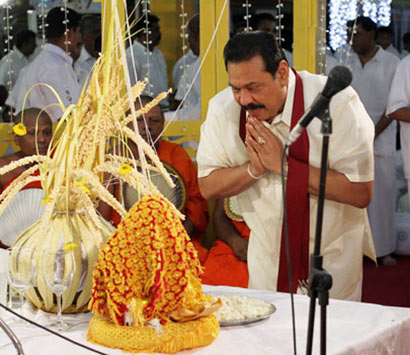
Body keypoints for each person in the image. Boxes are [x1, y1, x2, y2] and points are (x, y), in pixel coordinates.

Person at [196, 31, 375, 301]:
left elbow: (361, 192)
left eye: (253, 87)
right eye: (236, 88)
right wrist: (253, 170)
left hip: (331, 259)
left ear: (281, 73)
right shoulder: (223, 110)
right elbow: (208, 186)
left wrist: (285, 165)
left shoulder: (336, 102)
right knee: (269, 339)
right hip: (266, 258)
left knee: (332, 341)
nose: (244, 100)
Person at [101, 96, 209, 262]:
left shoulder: (175, 155)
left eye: (154, 121)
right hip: (125, 243)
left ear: (163, 124)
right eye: (139, 120)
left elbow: (197, 203)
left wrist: (177, 238)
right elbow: (102, 215)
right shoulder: (114, 158)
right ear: (127, 124)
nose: (146, 127)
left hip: (172, 241)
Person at [346, 16, 399, 266]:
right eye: (350, 34)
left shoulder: (391, 62)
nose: (352, 39)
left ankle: (384, 249)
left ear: (371, 34)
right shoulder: (345, 60)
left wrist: (373, 132)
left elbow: (395, 104)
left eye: (356, 34)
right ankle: (357, 250)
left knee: (383, 196)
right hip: (349, 140)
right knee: (352, 196)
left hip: (382, 139)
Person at [7, 7, 82, 122]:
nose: (79, 38)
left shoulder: (41, 63)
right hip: (54, 137)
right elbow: (67, 117)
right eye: (78, 32)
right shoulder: (55, 66)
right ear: (70, 32)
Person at [0, 108, 52, 248]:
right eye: (32, 133)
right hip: (9, 248)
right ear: (17, 138)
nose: (41, 139)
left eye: (46, 133)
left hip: (53, 245)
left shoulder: (60, 165)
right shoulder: (3, 168)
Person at [201, 198, 249, 288]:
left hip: (272, 249)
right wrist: (234, 240)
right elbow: (219, 217)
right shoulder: (232, 183)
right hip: (235, 243)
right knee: (208, 284)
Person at [126, 14, 168, 107]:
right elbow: (130, 90)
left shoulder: (159, 54)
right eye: (155, 31)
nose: (159, 34)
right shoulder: (131, 56)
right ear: (144, 33)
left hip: (163, 107)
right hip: (144, 111)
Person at [166, 14, 201, 121]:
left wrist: (162, 118)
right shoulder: (195, 65)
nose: (187, 40)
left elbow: (201, 110)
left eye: (188, 35)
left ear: (195, 37)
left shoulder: (205, 67)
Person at [0, 29, 37, 107]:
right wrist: (8, 106)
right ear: (24, 44)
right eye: (33, 43)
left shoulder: (31, 59)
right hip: (13, 107)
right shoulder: (9, 60)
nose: (36, 46)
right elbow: (1, 85)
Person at [74, 15, 101, 88]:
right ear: (82, 36)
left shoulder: (111, 58)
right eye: (95, 33)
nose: (99, 36)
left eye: (101, 32)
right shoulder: (76, 62)